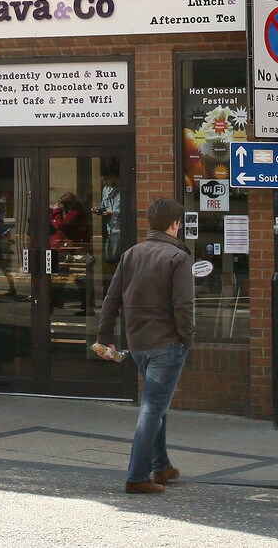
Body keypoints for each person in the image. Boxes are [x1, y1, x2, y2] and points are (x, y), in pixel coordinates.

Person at [96, 198, 194, 496]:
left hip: (137, 343)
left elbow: (112, 298)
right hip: (167, 343)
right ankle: (137, 476)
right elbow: (183, 304)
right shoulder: (177, 258)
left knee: (157, 405)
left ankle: (161, 466)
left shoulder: (130, 254)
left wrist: (103, 336)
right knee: (152, 409)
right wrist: (186, 339)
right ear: (175, 224)